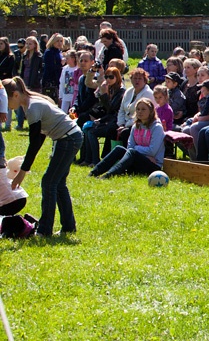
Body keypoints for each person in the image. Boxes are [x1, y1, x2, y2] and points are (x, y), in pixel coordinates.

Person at [5, 77, 82, 237]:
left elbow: (34, 142)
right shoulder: (29, 104)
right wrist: (26, 161)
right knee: (58, 183)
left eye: (6, 102)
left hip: (68, 138)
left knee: (49, 182)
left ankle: (44, 230)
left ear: (15, 95)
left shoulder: (32, 107)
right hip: (69, 137)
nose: (7, 107)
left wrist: (22, 172)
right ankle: (68, 227)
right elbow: (39, 138)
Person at [90, 99, 165, 179]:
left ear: (151, 111)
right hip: (138, 160)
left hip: (153, 165)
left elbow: (152, 151)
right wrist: (138, 151)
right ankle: (93, 173)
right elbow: (129, 147)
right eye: (138, 109)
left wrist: (136, 149)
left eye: (143, 109)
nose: (140, 112)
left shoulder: (157, 127)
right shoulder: (135, 126)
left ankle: (107, 176)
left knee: (132, 152)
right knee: (119, 149)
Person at [82, 66, 125, 166]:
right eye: (106, 77)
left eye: (111, 77)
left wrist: (104, 94)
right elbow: (104, 108)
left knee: (92, 132)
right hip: (107, 119)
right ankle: (88, 159)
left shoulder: (121, 91)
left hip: (115, 123)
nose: (108, 79)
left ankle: (95, 161)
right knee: (87, 129)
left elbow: (111, 109)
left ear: (117, 77)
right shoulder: (110, 88)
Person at [116, 68, 155, 147]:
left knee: (125, 133)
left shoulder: (148, 93)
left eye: (140, 79)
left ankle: (126, 153)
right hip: (125, 122)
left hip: (141, 123)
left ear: (145, 80)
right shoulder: (128, 91)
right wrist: (121, 124)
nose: (137, 81)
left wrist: (126, 125)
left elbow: (143, 114)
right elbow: (122, 110)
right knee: (111, 130)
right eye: (135, 78)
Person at [42, 33, 64, 102]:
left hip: (58, 78)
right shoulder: (49, 52)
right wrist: (61, 64)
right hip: (50, 79)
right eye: (57, 41)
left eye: (61, 41)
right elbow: (50, 67)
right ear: (53, 42)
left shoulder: (59, 52)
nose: (59, 43)